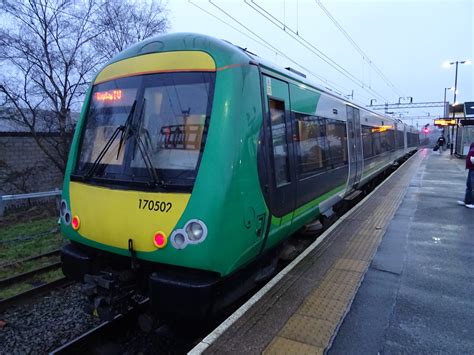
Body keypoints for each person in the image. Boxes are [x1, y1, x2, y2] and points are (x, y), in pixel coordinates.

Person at [457, 142, 474, 208]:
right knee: (469, 185)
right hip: (471, 167)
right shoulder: (473, 144)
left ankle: (473, 203)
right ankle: (467, 201)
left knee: (473, 186)